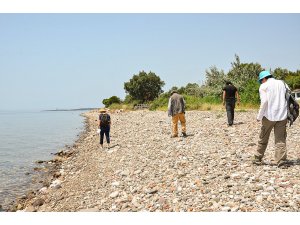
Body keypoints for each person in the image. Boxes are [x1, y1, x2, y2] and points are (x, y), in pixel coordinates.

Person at [253, 70, 288, 167]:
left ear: (264, 78)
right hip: (282, 115)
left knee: (263, 137)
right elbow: (288, 98)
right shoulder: (282, 83)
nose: (261, 82)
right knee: (280, 139)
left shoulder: (263, 86)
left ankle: (258, 158)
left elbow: (264, 102)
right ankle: (281, 161)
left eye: (261, 81)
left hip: (269, 116)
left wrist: (259, 116)